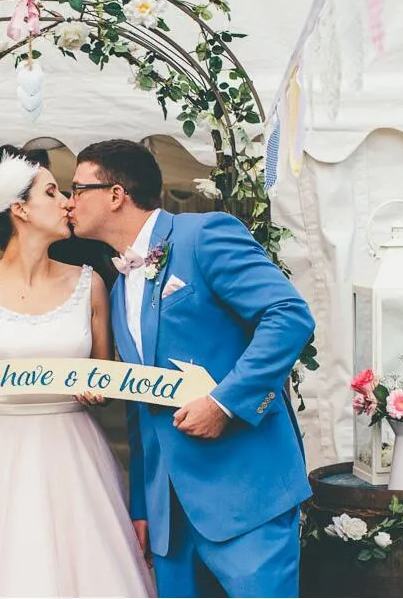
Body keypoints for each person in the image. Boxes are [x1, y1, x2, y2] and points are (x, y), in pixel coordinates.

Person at [0, 145, 155, 597]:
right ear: (20, 209)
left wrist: (97, 389)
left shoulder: (89, 283)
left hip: (75, 454)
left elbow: (107, 378)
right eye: (53, 192)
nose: (67, 202)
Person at [69, 139, 315, 598]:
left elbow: (289, 316)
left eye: (77, 189)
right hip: (169, 514)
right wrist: (143, 506)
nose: (69, 202)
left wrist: (225, 403)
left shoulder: (204, 235)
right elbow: (142, 406)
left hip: (244, 489)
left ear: (116, 194)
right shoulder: (120, 290)